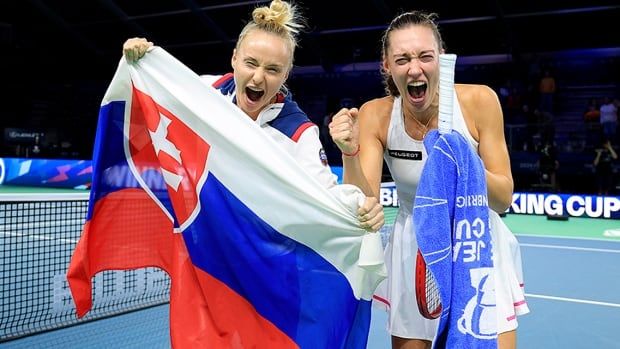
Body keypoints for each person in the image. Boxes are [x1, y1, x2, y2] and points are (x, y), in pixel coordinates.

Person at [329, 11, 529, 349]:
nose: (415, 68)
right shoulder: (375, 115)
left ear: (441, 58)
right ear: (387, 66)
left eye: (425, 56)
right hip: (414, 252)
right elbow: (366, 208)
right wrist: (349, 152)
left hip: (475, 244)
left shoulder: (480, 102)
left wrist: (465, 163)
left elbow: (503, 198)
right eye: (402, 59)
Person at [122, 0, 384, 231]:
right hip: (204, 237)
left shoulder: (298, 133)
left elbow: (329, 201)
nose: (258, 77)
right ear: (234, 58)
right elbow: (146, 99)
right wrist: (140, 61)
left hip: (257, 252)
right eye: (251, 63)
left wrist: (362, 209)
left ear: (286, 74)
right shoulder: (204, 92)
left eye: (273, 69)